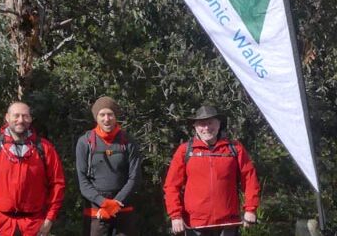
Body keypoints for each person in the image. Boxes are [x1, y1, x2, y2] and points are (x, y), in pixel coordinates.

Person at [0, 102, 66, 236]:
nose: (20, 120)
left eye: (25, 116)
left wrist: (49, 219)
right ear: (7, 117)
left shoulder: (44, 148)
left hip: (34, 226)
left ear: (31, 119)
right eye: (16, 115)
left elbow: (57, 184)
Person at [163, 105, 260, 236]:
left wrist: (250, 209)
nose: (207, 128)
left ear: (219, 124)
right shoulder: (185, 151)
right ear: (195, 127)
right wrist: (175, 216)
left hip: (228, 224)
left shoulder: (235, 149)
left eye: (210, 123)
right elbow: (171, 186)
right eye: (202, 124)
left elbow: (249, 179)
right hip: (195, 225)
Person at [76, 96, 141, 236]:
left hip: (123, 210)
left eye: (110, 114)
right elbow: (83, 181)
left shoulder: (128, 141)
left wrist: (115, 204)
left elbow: (134, 177)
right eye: (102, 114)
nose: (106, 119)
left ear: (115, 116)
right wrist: (104, 203)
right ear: (96, 117)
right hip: (95, 212)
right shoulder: (85, 142)